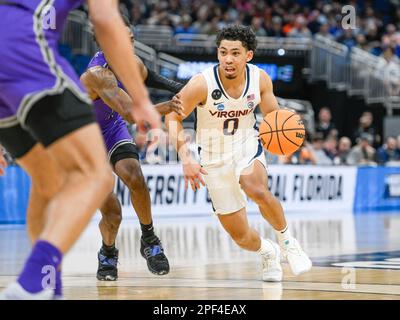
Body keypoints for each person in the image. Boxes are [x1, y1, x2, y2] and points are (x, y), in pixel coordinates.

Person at [0, 0, 160, 300]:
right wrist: (140, 100)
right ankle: (33, 282)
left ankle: (49, 287)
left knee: (48, 183)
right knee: (96, 176)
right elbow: (104, 18)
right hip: (25, 49)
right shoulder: (98, 72)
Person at [166, 25, 312, 282]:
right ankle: (268, 251)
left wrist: (286, 137)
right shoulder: (201, 83)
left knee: (255, 188)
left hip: (246, 144)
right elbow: (172, 117)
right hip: (212, 157)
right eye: (223, 52)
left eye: (235, 53)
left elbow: (273, 119)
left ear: (248, 56)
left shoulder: (260, 79)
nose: (228, 59)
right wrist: (186, 158)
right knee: (240, 236)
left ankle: (289, 243)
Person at [80, 22, 184, 280]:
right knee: (112, 212)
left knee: (134, 176)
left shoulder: (131, 61)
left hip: (111, 128)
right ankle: (107, 252)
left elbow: (149, 75)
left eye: (131, 39)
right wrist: (171, 105)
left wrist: (183, 89)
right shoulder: (97, 74)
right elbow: (131, 113)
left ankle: (149, 239)